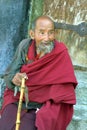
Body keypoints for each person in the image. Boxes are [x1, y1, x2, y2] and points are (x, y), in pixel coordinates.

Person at [0, 15, 78, 130]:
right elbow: (10, 74)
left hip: (46, 102)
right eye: (42, 33)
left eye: (50, 33)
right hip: (21, 98)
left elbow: (64, 90)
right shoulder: (25, 46)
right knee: (6, 124)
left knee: (35, 125)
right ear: (32, 34)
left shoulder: (60, 52)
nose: (47, 38)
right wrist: (15, 78)